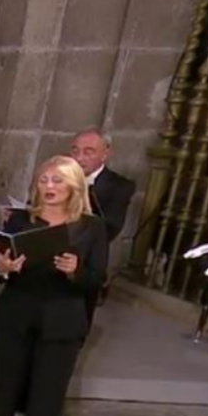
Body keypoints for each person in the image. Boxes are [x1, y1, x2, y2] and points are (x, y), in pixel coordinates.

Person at [0, 156, 108, 416]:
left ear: (75, 185)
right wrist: (3, 268)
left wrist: (75, 270)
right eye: (44, 180)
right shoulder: (19, 220)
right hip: (15, 313)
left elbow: (97, 279)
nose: (49, 187)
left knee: (47, 395)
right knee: (4, 389)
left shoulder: (91, 227)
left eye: (57, 181)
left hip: (61, 320)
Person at [69, 129, 136, 322]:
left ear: (104, 154)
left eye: (88, 152)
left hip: (88, 260)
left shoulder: (120, 186)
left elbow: (111, 227)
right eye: (75, 151)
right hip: (53, 253)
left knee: (78, 319)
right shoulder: (59, 177)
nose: (79, 157)